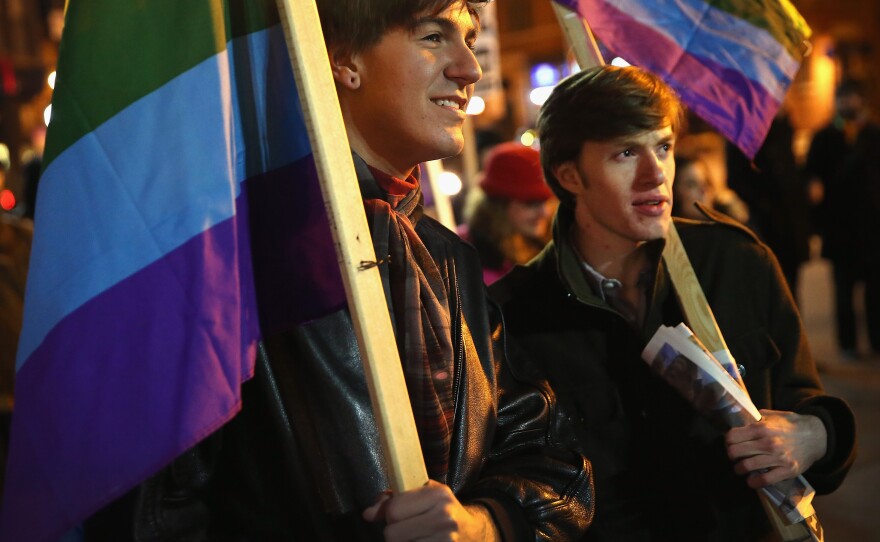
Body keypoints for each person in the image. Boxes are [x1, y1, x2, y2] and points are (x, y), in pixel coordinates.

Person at [84, 1, 594, 540]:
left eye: (468, 40)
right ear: (343, 60)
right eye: (432, 38)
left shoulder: (449, 259)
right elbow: (151, 512)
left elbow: (549, 457)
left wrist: (482, 525)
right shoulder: (230, 260)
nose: (470, 68)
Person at [491, 65, 856, 541]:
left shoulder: (738, 263)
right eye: (625, 153)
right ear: (569, 174)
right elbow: (521, 486)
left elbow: (803, 400)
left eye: (663, 147)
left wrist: (816, 436)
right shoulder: (512, 315)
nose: (654, 174)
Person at [804, 79, 880, 359]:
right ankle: (847, 344)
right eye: (841, 98)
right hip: (840, 226)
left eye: (850, 98)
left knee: (875, 290)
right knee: (843, 290)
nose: (845, 104)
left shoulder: (874, 134)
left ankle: (876, 341)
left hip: (873, 226)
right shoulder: (824, 136)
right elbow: (811, 173)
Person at [460, 141, 556, 284]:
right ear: (499, 206)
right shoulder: (465, 256)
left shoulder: (552, 243)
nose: (545, 212)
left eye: (546, 201)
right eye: (531, 203)